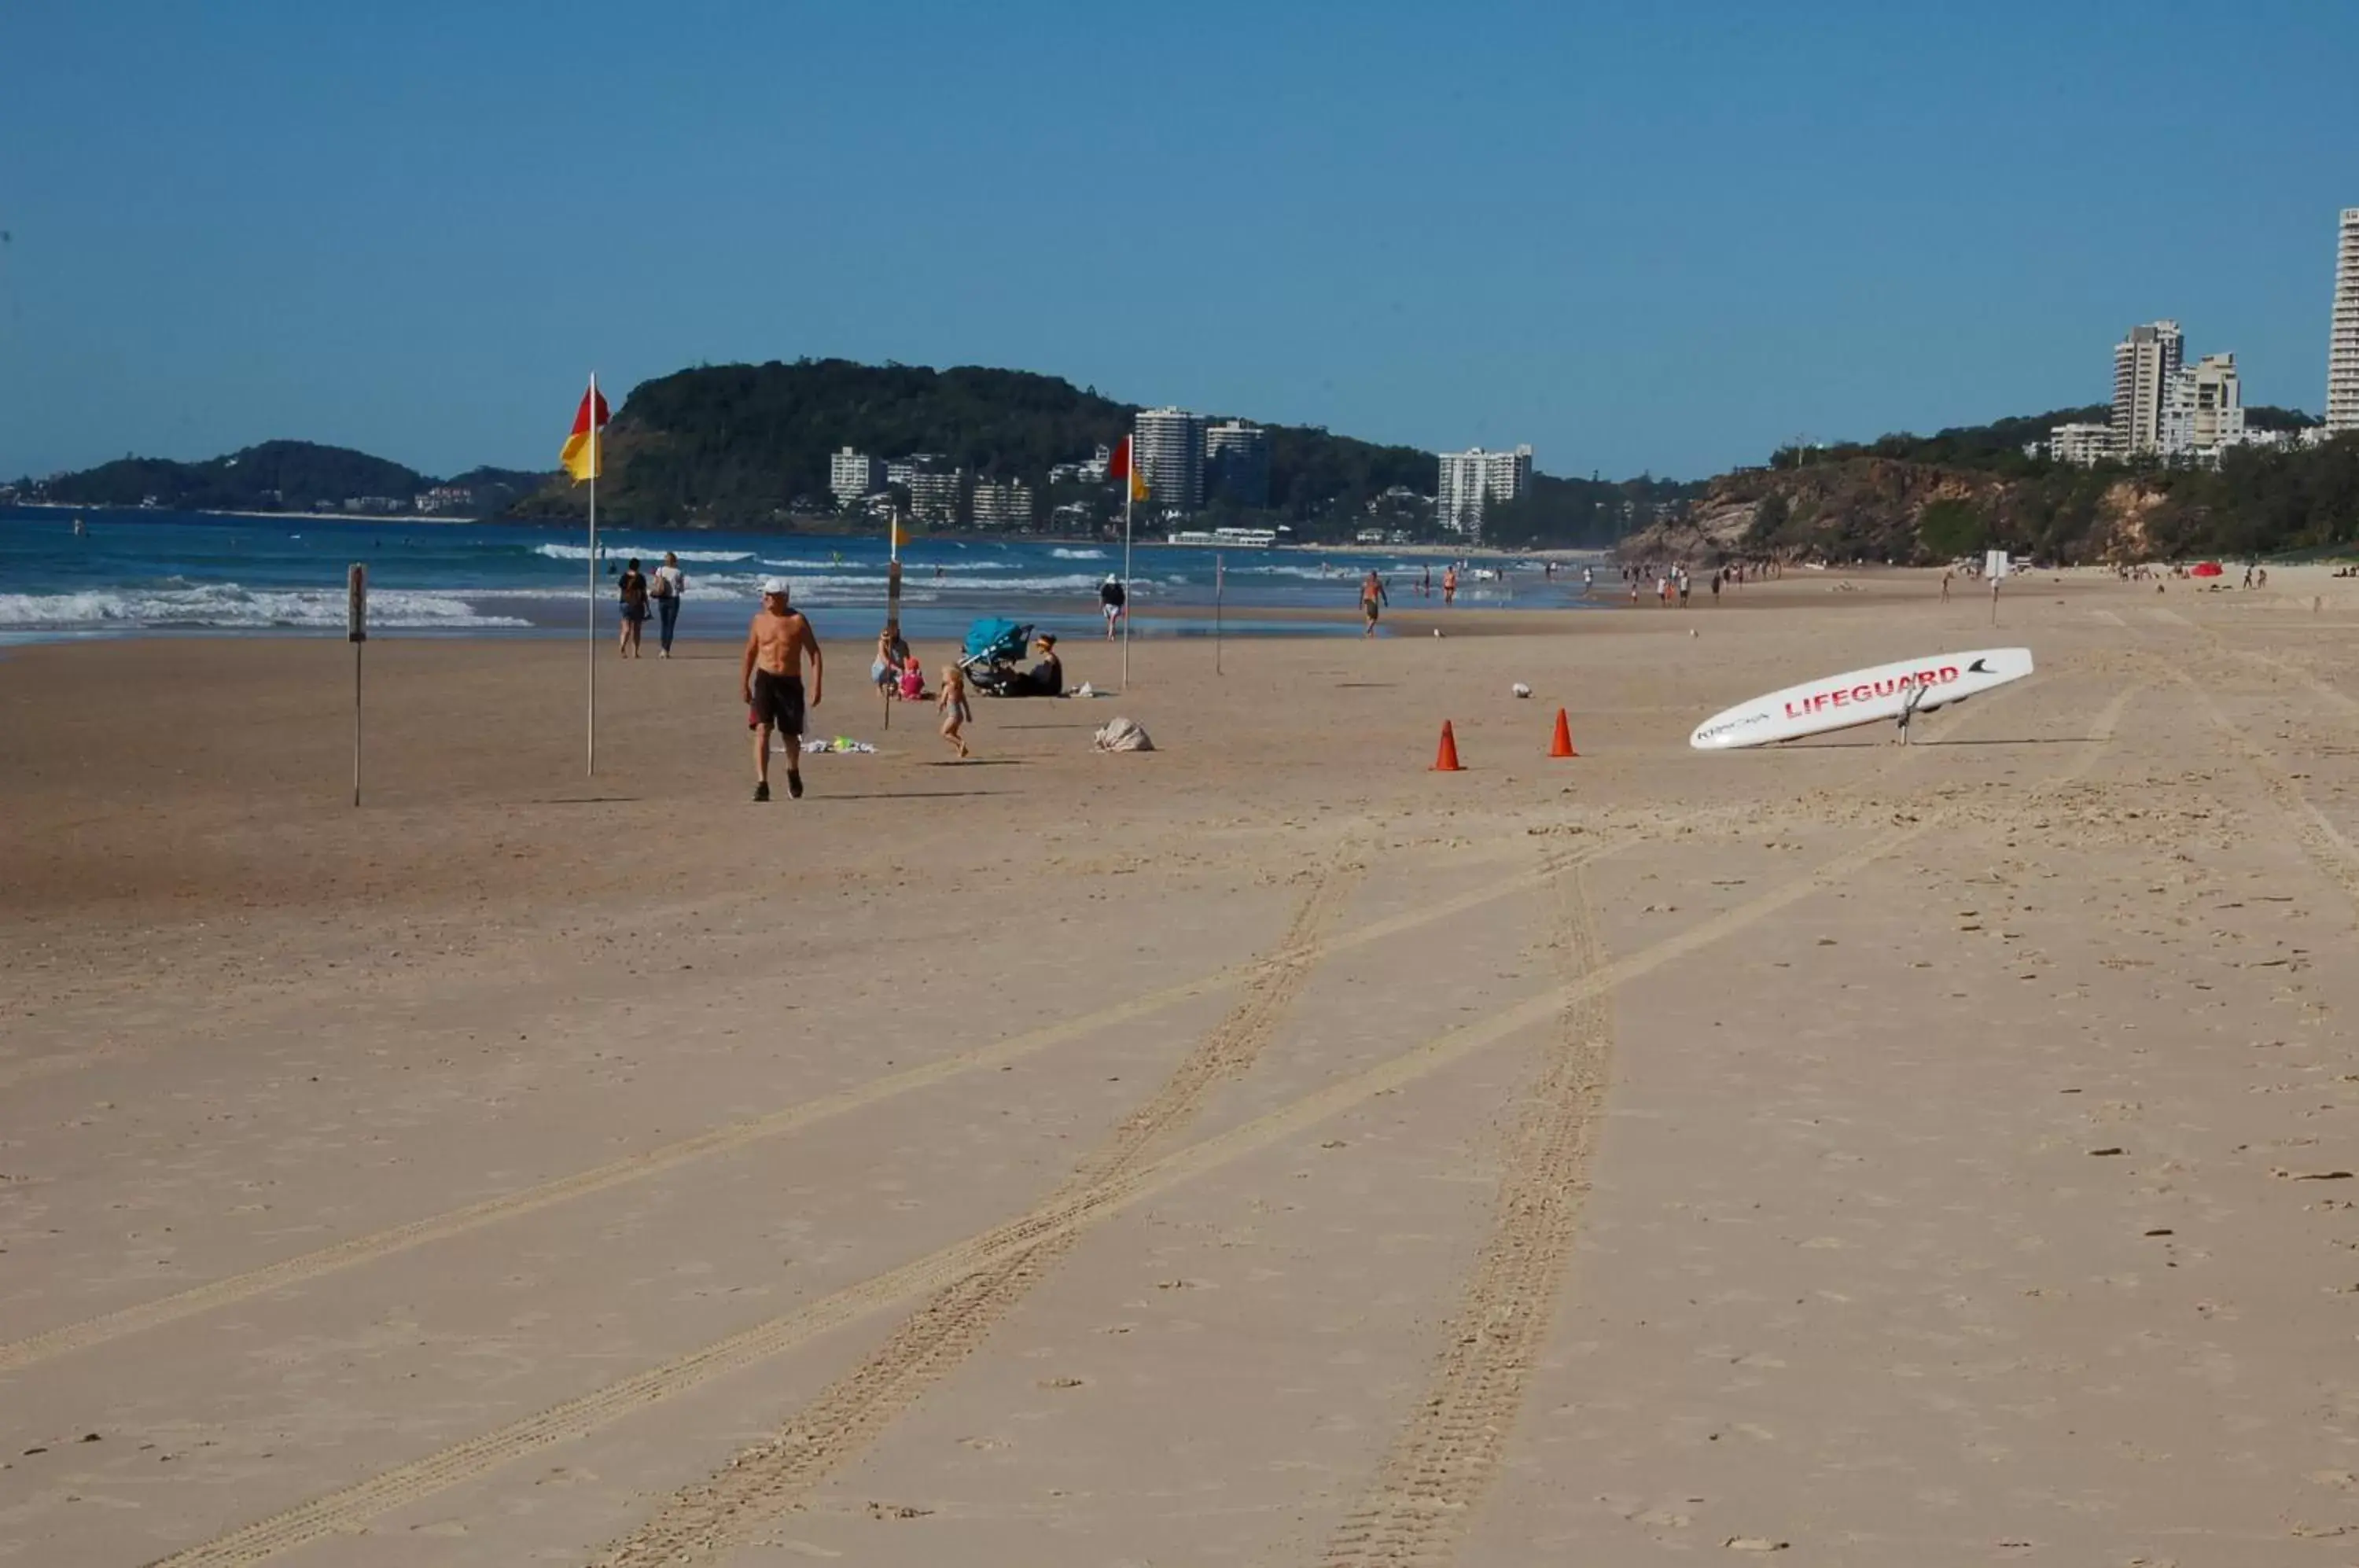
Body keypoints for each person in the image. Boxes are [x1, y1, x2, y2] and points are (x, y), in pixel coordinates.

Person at [741, 578, 822, 802]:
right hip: (765, 679)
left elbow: (814, 653)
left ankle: (792, 771)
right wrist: (744, 683)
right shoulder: (758, 620)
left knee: (790, 736)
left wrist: (817, 686)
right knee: (762, 729)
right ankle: (762, 783)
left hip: (790, 682)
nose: (765, 598)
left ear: (784, 597)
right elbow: (750, 652)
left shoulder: (797, 621)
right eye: (765, 594)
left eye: (771, 594)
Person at [650, 551, 686, 657]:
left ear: (665, 561)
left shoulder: (660, 570)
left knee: (663, 624)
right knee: (670, 626)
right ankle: (666, 650)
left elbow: (655, 583)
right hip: (674, 600)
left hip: (662, 599)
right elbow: (682, 589)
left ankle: (662, 649)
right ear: (675, 561)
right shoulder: (679, 572)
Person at [938, 661, 972, 759]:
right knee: (953, 734)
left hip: (953, 715)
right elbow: (964, 701)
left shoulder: (948, 687)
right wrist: (968, 713)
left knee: (944, 733)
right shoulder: (959, 687)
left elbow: (942, 700)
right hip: (960, 715)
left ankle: (961, 743)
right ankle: (962, 750)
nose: (943, 677)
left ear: (951, 675)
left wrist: (940, 708)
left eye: (944, 675)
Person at [616, 558, 650, 657]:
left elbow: (622, 589)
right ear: (638, 566)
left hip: (625, 604)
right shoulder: (641, 578)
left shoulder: (624, 577)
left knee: (626, 629)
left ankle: (622, 646)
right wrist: (648, 606)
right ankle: (635, 652)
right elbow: (644, 593)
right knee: (637, 629)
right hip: (638, 604)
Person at [1023, 632, 1063, 697]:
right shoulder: (1051, 657)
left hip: (1051, 689)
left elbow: (1045, 677)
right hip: (1052, 688)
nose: (1037, 648)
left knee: (1024, 679)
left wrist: (1034, 673)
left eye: (1039, 645)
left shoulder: (1050, 658)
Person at [1360, 569, 1388, 637]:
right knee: (1375, 617)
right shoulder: (1378, 582)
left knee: (1368, 616)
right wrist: (1385, 600)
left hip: (1366, 599)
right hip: (1373, 599)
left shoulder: (1366, 582)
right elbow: (1382, 592)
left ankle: (1370, 633)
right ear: (1376, 575)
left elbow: (1362, 591)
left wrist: (1360, 602)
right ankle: (1369, 630)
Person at [1099, 573, 1127, 640]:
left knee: (1112, 620)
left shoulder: (1119, 589)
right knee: (1111, 622)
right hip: (1107, 606)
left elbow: (1123, 599)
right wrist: (1101, 606)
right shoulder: (1105, 588)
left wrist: (1123, 608)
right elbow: (1101, 597)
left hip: (1116, 606)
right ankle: (1113, 636)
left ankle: (1109, 636)